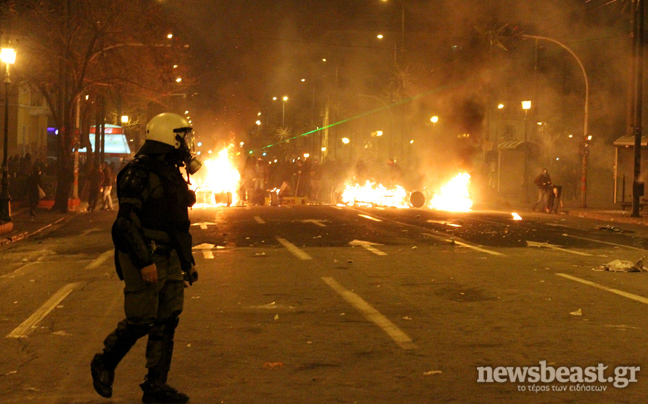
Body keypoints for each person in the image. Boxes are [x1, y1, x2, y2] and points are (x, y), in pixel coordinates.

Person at [91, 112, 201, 404]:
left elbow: (177, 224)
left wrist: (186, 261)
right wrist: (144, 261)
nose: (186, 144)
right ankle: (104, 362)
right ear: (169, 137)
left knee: (167, 320)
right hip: (146, 253)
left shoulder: (170, 174)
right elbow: (125, 224)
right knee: (141, 320)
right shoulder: (138, 173)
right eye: (182, 137)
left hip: (169, 256)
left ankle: (155, 385)